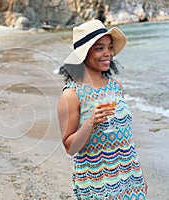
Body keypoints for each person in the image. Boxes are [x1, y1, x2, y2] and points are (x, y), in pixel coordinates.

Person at [57, 20, 147, 199]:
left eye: (110, 47)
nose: (108, 53)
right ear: (84, 54)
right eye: (99, 48)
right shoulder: (71, 95)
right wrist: (91, 122)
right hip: (96, 183)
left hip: (129, 178)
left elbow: (126, 139)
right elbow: (70, 147)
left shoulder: (116, 87)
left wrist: (139, 176)